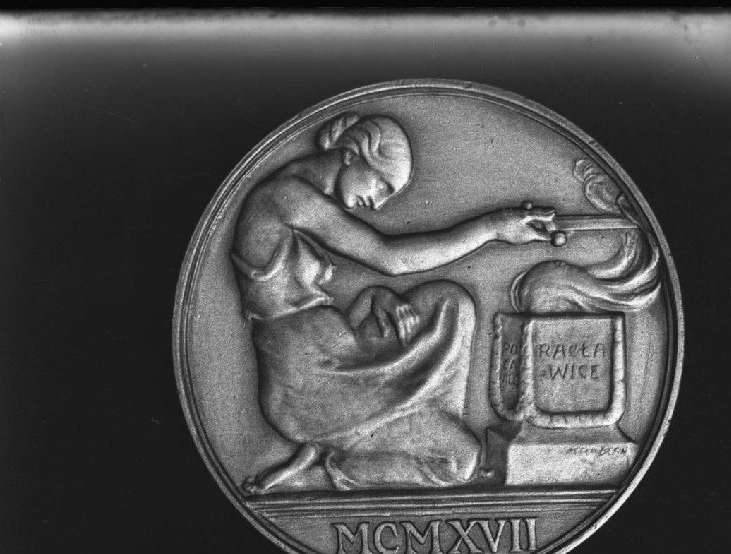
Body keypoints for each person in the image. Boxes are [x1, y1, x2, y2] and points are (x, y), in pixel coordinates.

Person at [232, 112, 556, 492]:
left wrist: (377, 298)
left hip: (347, 360)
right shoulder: (284, 197)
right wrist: (492, 228)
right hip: (308, 390)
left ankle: (427, 415)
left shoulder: (298, 198)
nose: (377, 204)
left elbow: (316, 314)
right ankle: (323, 471)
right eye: (382, 185)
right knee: (460, 462)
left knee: (449, 303)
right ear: (352, 154)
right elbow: (390, 258)